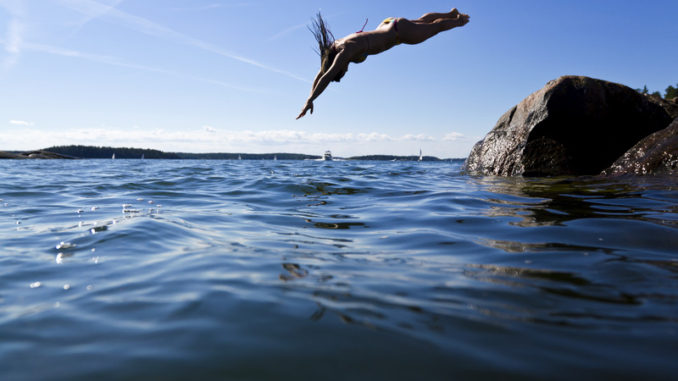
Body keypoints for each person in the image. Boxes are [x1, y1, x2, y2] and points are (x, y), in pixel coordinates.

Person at [296, 9, 470, 119]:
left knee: (435, 28)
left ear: (339, 66)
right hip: (388, 24)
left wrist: (311, 99)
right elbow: (321, 72)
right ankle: (449, 13)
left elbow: (326, 76)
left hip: (398, 33)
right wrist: (309, 97)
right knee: (422, 21)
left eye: (343, 70)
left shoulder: (345, 53)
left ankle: (459, 20)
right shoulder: (336, 45)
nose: (346, 69)